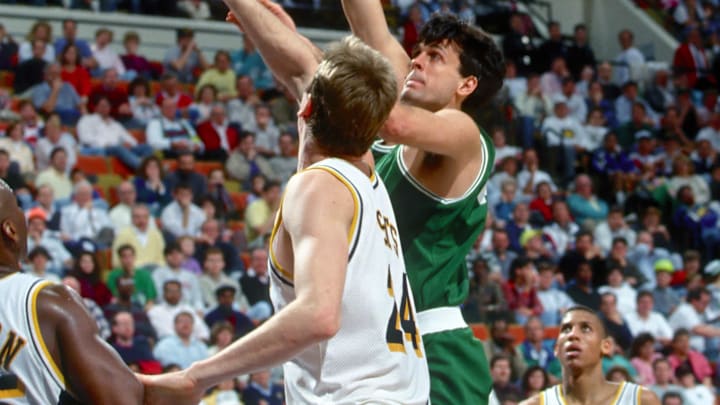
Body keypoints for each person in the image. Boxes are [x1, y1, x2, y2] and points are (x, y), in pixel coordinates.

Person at [138, 1, 428, 403]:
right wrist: (273, 29)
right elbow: (304, 68)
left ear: (305, 106)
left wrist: (196, 377)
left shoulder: (319, 187)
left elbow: (319, 315)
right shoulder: (364, 166)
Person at [342, 2, 504, 403]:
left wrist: (326, 81)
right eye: (417, 52)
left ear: (465, 84)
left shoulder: (463, 132)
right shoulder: (404, 113)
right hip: (379, 339)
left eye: (435, 57)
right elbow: (370, 25)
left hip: (433, 342)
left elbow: (393, 120)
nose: (416, 61)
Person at [0, 179, 143, 403]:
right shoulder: (47, 302)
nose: (24, 216)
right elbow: (122, 398)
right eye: (19, 208)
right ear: (10, 230)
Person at [520, 306, 660, 405]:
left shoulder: (640, 400)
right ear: (557, 349)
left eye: (585, 329)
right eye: (567, 329)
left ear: (606, 346)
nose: (573, 335)